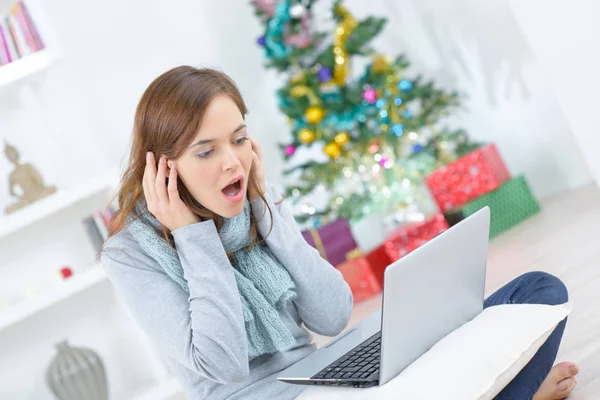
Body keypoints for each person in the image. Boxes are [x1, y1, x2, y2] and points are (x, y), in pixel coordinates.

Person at [101, 66, 579, 400]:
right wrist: (193, 238)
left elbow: (332, 316)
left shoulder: (255, 206)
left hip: (328, 375)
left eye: (239, 138)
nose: (234, 162)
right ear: (162, 168)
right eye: (206, 151)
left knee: (538, 291)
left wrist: (269, 213)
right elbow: (222, 364)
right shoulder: (130, 254)